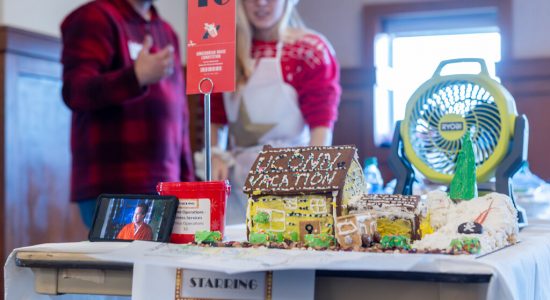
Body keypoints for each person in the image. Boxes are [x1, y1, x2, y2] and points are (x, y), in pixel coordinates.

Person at [204, 0, 341, 224]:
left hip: (294, 181)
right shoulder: (222, 51)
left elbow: (322, 123)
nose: (261, 3)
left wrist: (314, 180)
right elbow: (215, 117)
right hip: (238, 184)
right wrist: (216, 155)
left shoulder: (310, 50)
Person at [60, 0, 194, 228]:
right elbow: (75, 91)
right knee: (123, 263)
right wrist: (135, 77)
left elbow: (179, 114)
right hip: (114, 185)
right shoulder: (95, 17)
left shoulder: (168, 32)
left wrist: (188, 183)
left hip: (167, 185)